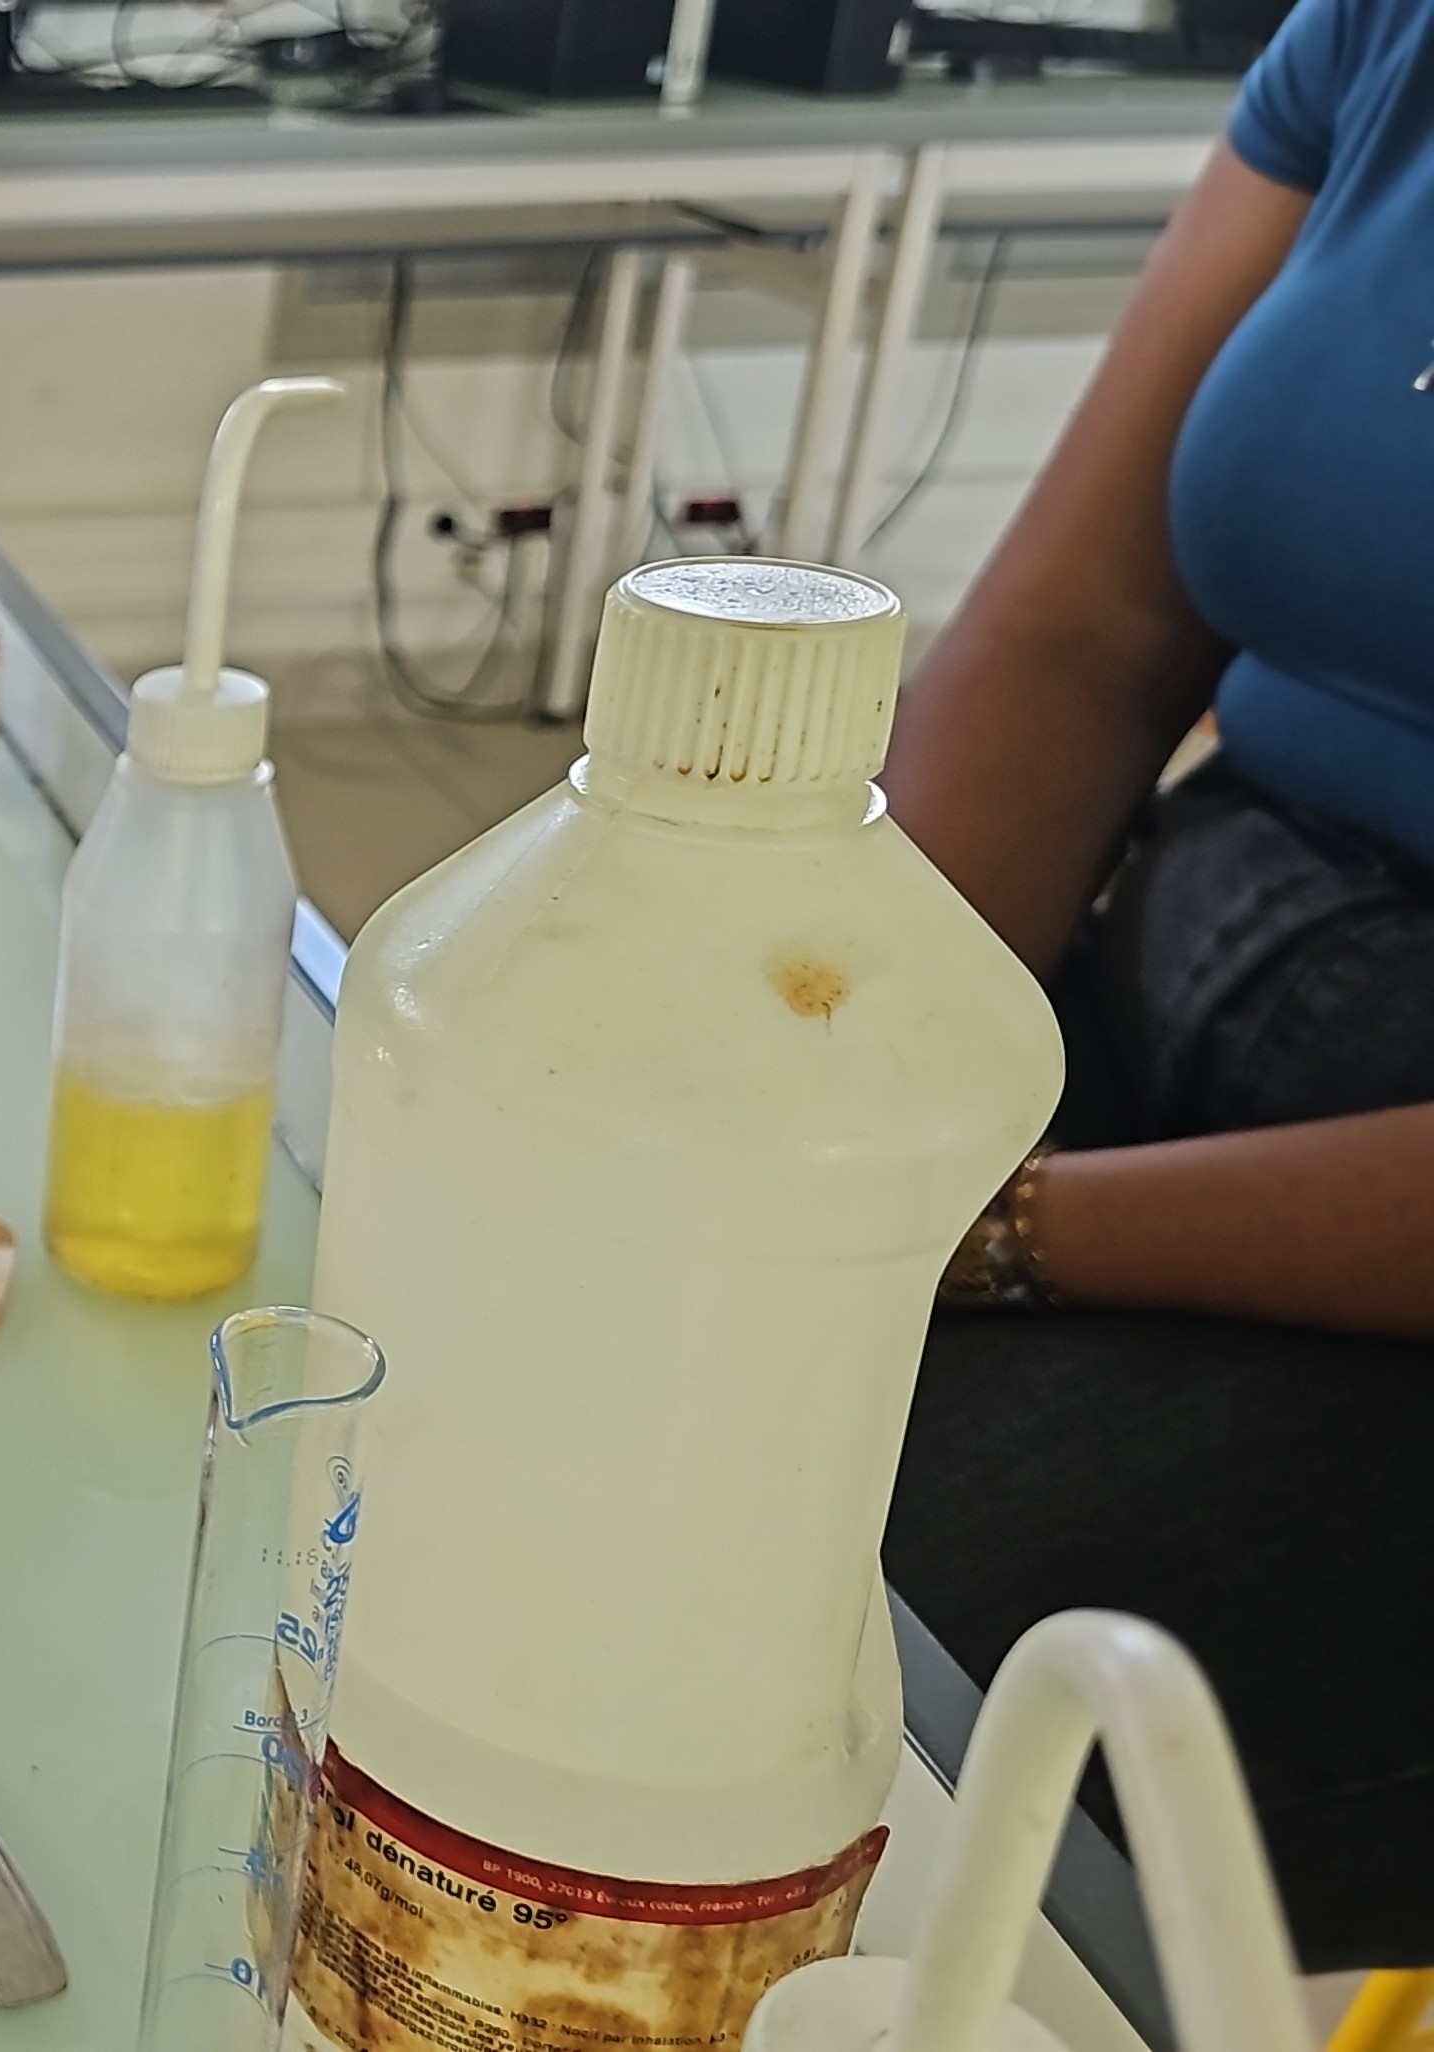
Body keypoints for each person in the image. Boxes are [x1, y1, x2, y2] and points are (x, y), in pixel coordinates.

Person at [876, 0, 1434, 1968]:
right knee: (610, 1375)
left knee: (898, 1623)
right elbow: (1085, 626)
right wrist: (836, 1071)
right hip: (1209, 962)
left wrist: (992, 1230)